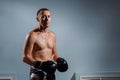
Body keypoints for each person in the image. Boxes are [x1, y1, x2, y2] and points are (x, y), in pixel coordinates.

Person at [22, 8, 68, 80]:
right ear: (37, 19)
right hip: (37, 72)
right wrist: (41, 65)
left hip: (50, 71)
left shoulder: (52, 35)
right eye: (43, 16)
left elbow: (53, 53)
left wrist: (59, 60)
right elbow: (25, 57)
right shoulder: (32, 35)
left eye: (49, 16)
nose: (47, 19)